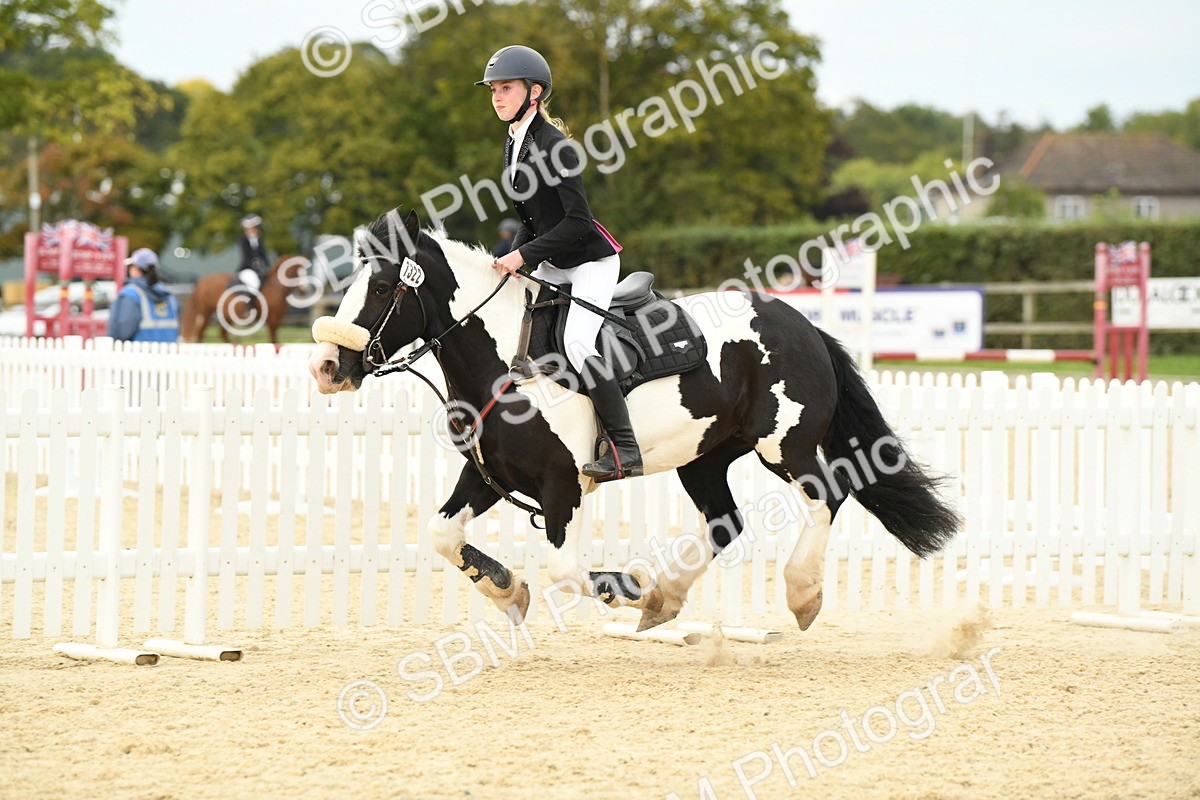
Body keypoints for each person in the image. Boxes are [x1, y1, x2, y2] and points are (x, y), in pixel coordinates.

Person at [478, 45, 641, 481]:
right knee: (521, 331)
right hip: (551, 259)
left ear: (534, 92)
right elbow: (533, 219)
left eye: (505, 88)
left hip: (589, 260)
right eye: (493, 89)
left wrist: (523, 254)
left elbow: (577, 221)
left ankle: (625, 448)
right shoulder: (513, 142)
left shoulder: (557, 147)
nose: (497, 97)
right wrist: (510, 256)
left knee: (577, 343)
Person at [107, 247, 180, 342]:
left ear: (136, 269)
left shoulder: (131, 294)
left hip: (137, 353)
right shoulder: (169, 295)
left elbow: (121, 331)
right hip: (168, 353)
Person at [237, 214, 270, 296]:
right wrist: (254, 268)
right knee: (254, 285)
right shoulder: (243, 240)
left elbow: (263, 255)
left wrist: (268, 267)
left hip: (260, 269)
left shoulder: (259, 240)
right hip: (248, 269)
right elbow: (246, 257)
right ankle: (249, 306)